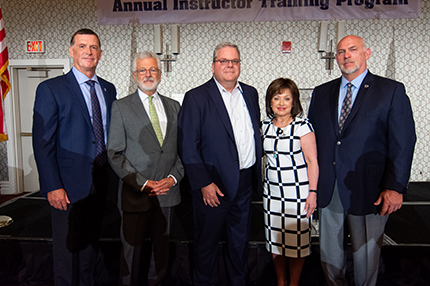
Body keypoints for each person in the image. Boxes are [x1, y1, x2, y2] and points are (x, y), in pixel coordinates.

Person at [308, 35, 416, 286]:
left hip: (371, 190)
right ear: (336, 58)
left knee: (366, 257)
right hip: (329, 188)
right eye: (341, 51)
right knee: (329, 256)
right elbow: (314, 140)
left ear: (366, 53)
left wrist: (396, 186)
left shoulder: (390, 90)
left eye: (352, 49)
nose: (346, 55)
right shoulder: (322, 93)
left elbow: (404, 142)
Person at [32, 29, 117, 285]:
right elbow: (42, 143)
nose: (88, 52)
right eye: (82, 46)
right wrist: (53, 185)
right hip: (67, 186)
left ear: (100, 54)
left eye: (93, 47)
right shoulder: (51, 89)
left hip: (100, 183)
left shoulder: (108, 89)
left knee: (90, 247)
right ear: (71, 51)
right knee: (67, 252)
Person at [177, 42, 262, 286]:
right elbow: (188, 146)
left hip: (245, 183)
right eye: (223, 61)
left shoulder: (251, 92)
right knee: (206, 246)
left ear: (239, 66)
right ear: (213, 66)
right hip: (213, 186)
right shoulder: (196, 97)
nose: (229, 66)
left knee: (240, 243)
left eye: (234, 61)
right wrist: (204, 183)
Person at [107, 51, 183, 286]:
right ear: (134, 74)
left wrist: (173, 178)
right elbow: (114, 152)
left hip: (167, 193)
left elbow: (184, 151)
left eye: (153, 70)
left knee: (161, 255)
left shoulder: (175, 106)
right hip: (135, 194)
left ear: (160, 74)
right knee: (132, 254)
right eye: (143, 70)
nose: (148, 74)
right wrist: (142, 182)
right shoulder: (120, 107)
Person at [262, 78, 318, 286]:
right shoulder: (264, 127)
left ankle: (294, 283)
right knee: (276, 243)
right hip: (272, 194)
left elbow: (313, 162)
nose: (281, 102)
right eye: (276, 98)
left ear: (294, 101)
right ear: (270, 102)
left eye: (287, 98)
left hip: (297, 194)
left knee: (296, 244)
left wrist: (313, 192)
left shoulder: (303, 127)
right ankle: (280, 281)